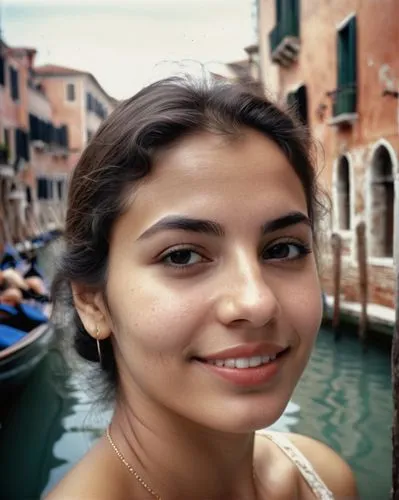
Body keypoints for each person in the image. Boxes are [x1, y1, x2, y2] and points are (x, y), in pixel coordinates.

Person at [47, 76, 358, 500]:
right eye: (182, 256)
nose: (257, 301)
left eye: (283, 248)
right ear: (91, 302)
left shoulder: (324, 480)